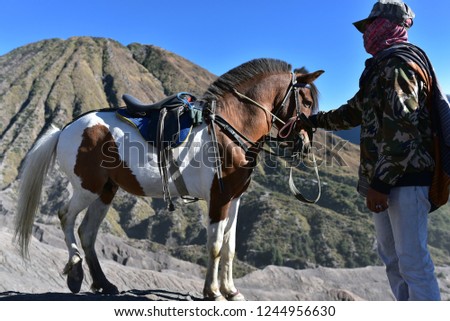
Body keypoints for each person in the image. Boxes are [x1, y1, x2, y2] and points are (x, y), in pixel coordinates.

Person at [307, 0, 441, 300]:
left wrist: (380, 184)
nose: (365, 34)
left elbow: (403, 130)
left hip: (404, 180)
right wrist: (312, 121)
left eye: (370, 26)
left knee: (413, 264)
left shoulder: (398, 66)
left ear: (388, 25)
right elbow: (353, 112)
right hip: (387, 180)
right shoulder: (381, 67)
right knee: (394, 261)